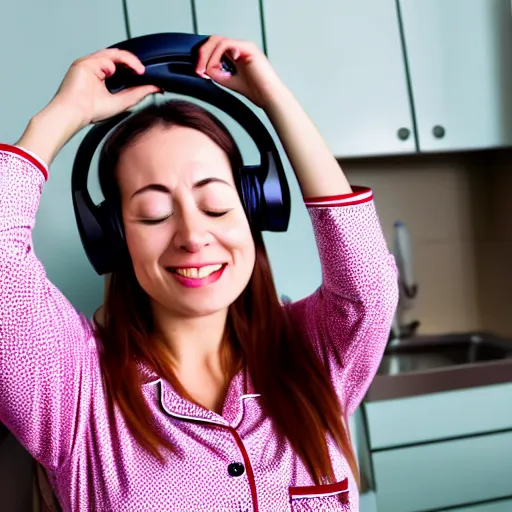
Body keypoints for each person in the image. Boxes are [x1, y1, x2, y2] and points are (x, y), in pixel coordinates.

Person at [0, 35, 398, 512]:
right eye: (153, 214)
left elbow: (369, 287)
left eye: (215, 205)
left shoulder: (314, 355)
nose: (193, 235)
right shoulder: (70, 385)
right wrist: (57, 118)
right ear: (113, 236)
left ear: (255, 209)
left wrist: (277, 101)